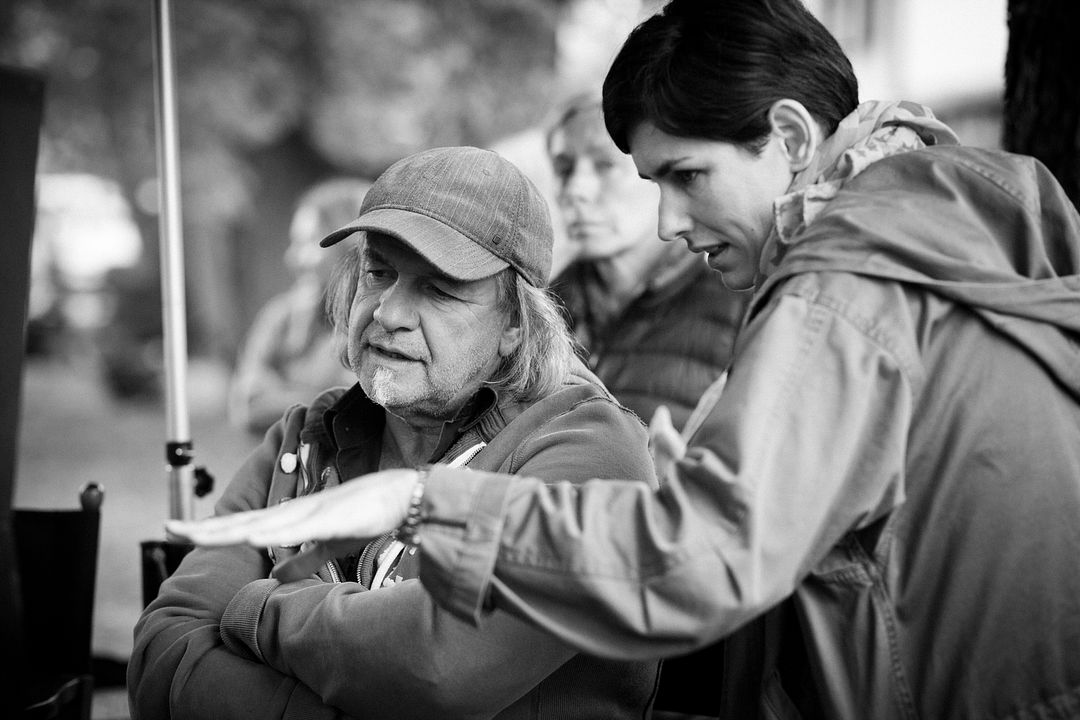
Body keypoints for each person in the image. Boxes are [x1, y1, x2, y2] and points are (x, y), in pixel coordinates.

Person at [165, 1, 1080, 719]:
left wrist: (412, 505)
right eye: (376, 274)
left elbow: (695, 562)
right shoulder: (944, 233)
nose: (667, 226)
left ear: (796, 140)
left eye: (687, 177)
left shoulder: (843, 288)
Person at [130, 146, 662, 719]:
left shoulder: (588, 450)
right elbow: (163, 654)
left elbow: (438, 668)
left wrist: (258, 609)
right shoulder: (304, 437)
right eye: (378, 272)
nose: (387, 312)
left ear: (515, 323)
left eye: (438, 289)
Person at [546, 92, 748, 430]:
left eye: (605, 164)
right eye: (564, 169)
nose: (575, 190)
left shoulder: (739, 295)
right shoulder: (537, 312)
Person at [228, 177, 371, 437]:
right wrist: (326, 400)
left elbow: (367, 414)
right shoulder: (280, 317)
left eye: (307, 242)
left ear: (351, 246)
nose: (292, 257)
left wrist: (283, 394)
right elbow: (248, 408)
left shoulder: (378, 322)